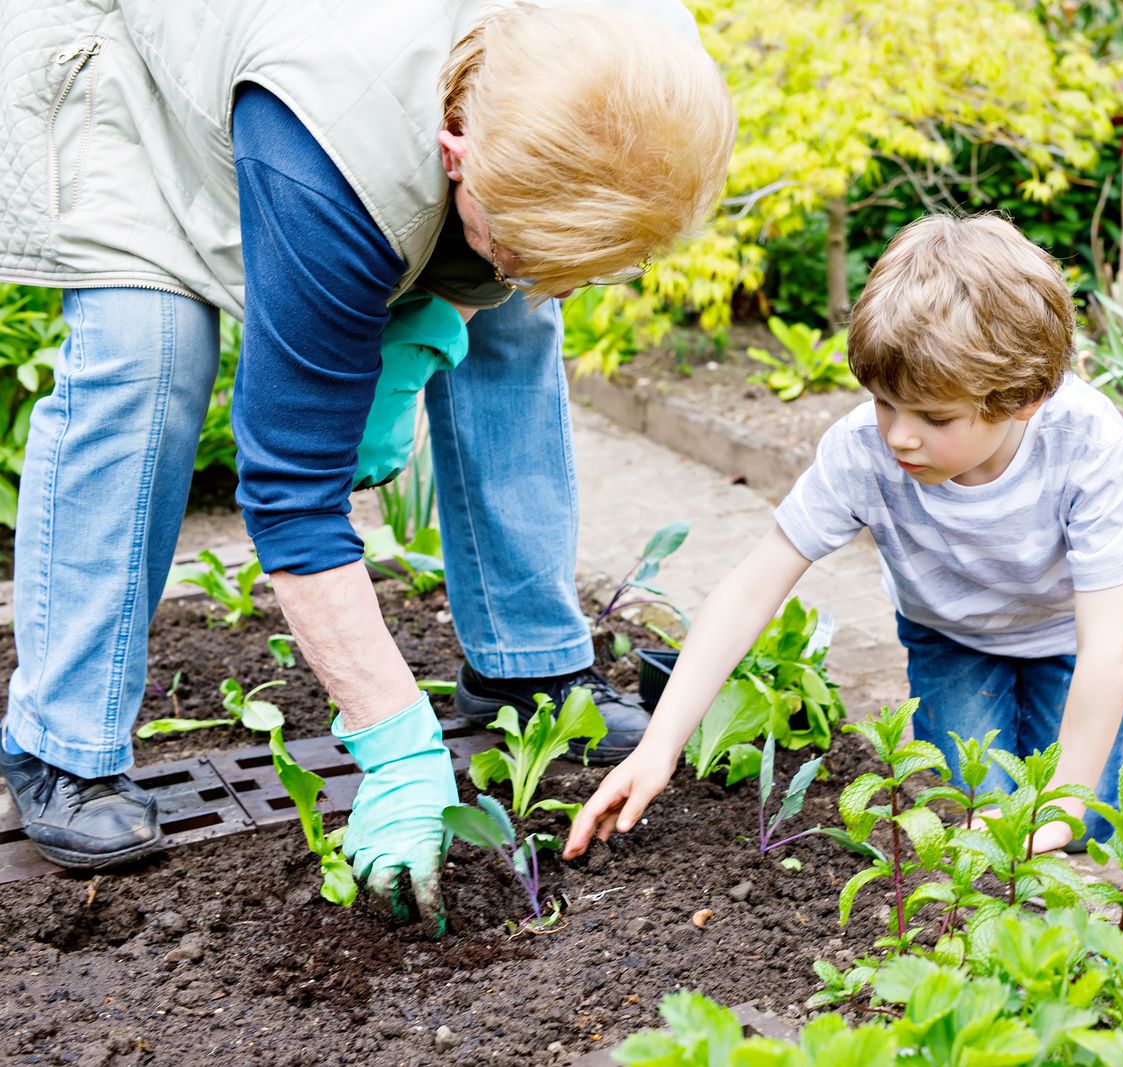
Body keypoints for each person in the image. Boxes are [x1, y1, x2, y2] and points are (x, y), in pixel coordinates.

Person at [0, 0, 735, 928]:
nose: (543, 274)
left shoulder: (637, 65)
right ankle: (60, 738)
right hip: (142, 53)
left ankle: (525, 661)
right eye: (510, 237)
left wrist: (442, 311)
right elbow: (293, 494)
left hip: (367, 96)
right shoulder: (329, 142)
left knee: (518, 313)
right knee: (148, 351)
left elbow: (515, 255)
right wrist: (395, 745)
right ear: (455, 148)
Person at [565, 214, 1123, 860]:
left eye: (935, 417)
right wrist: (658, 745)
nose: (900, 436)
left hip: (1068, 641)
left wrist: (1065, 806)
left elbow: (1107, 648)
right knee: (971, 817)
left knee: (1085, 824)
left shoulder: (1083, 441)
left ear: (1024, 398)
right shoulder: (863, 452)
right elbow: (750, 588)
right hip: (952, 635)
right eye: (885, 403)